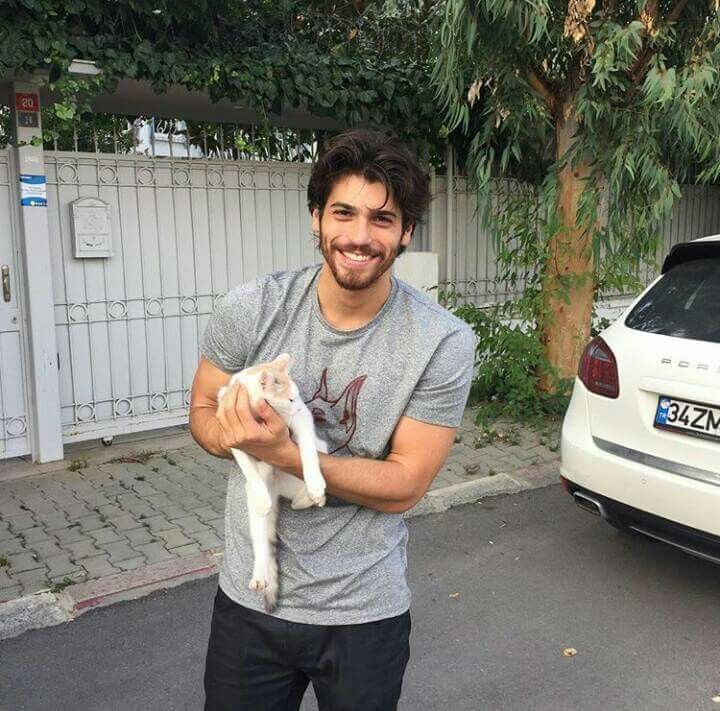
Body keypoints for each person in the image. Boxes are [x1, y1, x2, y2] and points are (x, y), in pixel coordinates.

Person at [189, 129, 475, 711]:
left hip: (364, 611)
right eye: (343, 213)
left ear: (406, 233)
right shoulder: (252, 308)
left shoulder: (441, 341)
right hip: (251, 599)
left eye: (383, 219)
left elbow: (403, 486)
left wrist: (283, 456)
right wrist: (231, 435)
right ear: (317, 219)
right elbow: (200, 411)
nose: (360, 236)